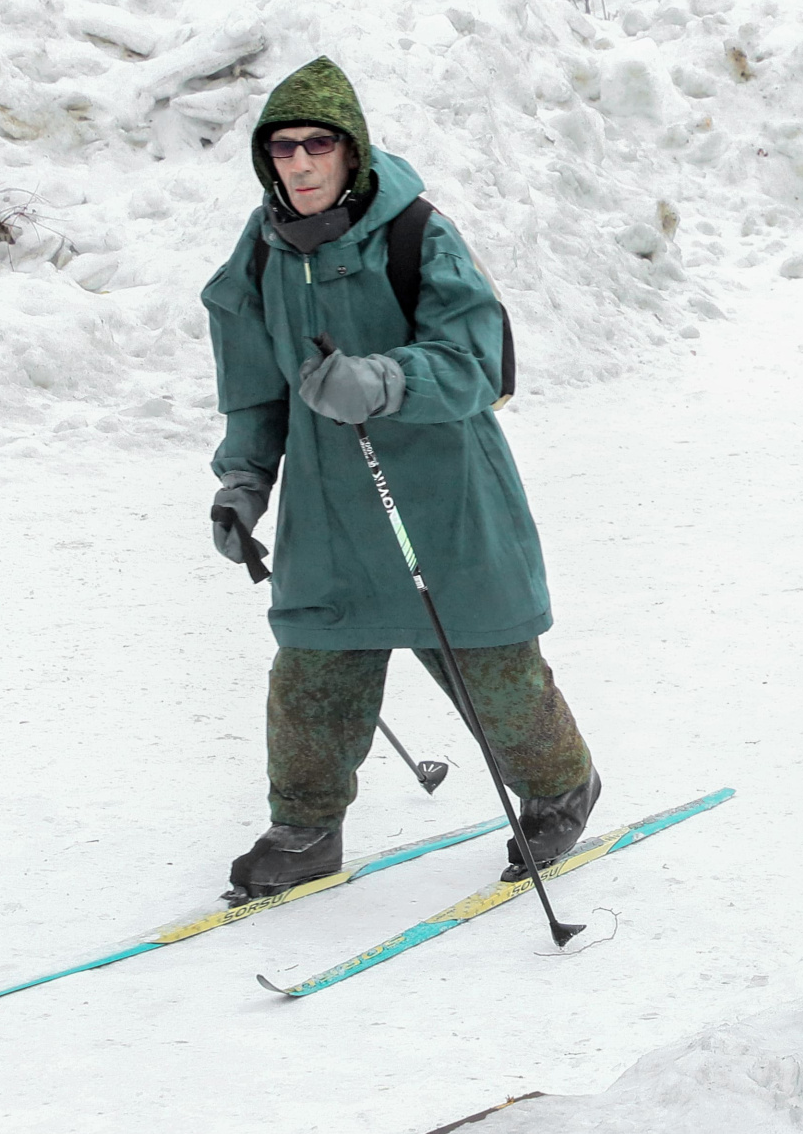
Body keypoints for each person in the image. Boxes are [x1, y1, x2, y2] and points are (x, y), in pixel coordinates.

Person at [201, 56, 600, 901]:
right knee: (313, 665)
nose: (300, 164)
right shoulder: (263, 251)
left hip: (445, 495)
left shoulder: (418, 234)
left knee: (490, 664)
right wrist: (242, 483)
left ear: (352, 154)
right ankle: (306, 827)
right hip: (329, 503)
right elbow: (253, 384)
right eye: (282, 149)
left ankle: (562, 788)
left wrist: (382, 381)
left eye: (317, 146)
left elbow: (475, 361)